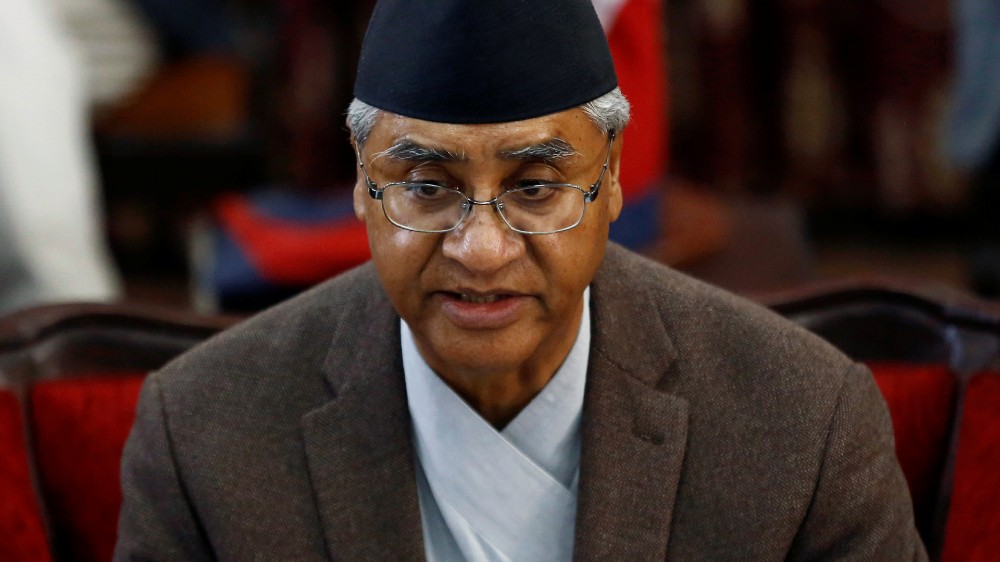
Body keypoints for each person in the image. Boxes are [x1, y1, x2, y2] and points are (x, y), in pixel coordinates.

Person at [115, 1, 925, 559]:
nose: (481, 250)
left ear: (610, 178)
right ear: (363, 183)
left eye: (535, 188)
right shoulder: (205, 432)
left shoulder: (801, 421)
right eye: (426, 187)